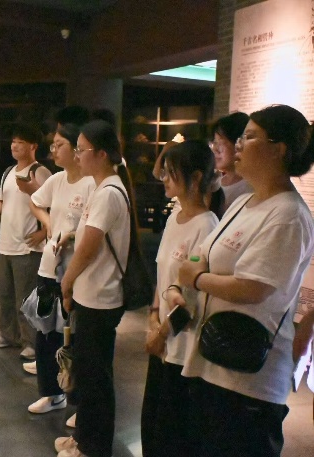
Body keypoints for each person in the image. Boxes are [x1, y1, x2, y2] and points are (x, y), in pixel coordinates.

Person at [175, 104, 314, 456]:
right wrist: (189, 276)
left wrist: (197, 279)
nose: (238, 144)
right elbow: (203, 252)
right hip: (213, 358)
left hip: (250, 375)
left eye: (249, 137)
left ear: (278, 149)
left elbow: (254, 288)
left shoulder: (288, 214)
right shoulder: (245, 203)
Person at [55, 120, 136, 457]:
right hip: (93, 294)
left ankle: (93, 446)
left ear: (102, 154)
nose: (77, 155)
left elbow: (89, 247)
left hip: (100, 297)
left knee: (95, 378)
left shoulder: (109, 193)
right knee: (88, 374)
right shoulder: (103, 188)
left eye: (81, 149)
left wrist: (67, 281)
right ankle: (82, 438)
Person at [140, 140, 219, 457]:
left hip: (181, 345)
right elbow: (163, 275)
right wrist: (153, 315)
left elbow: (193, 296)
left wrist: (161, 332)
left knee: (171, 434)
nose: (163, 178)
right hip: (161, 340)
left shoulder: (207, 225)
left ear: (196, 177)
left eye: (171, 172)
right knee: (151, 427)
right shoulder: (174, 216)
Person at [26, 123, 95, 414]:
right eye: (52, 145)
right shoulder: (56, 180)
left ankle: (75, 396)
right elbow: (35, 202)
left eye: (59, 145)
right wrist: (48, 223)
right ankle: (51, 393)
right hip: (49, 266)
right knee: (45, 333)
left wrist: (72, 236)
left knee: (71, 335)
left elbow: (94, 229)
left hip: (75, 271)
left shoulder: (91, 184)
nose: (53, 150)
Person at [0, 124, 51, 360]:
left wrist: (44, 232)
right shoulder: (8, 172)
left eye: (20, 142)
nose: (15, 146)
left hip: (28, 247)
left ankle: (30, 341)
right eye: (13, 141)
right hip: (5, 244)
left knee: (26, 298)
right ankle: (8, 334)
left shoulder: (40, 172)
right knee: (5, 295)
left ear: (33, 146)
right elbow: (2, 203)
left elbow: (52, 205)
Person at [209, 112, 252, 213]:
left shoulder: (250, 188)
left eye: (220, 142)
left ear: (239, 144)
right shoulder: (215, 183)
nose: (215, 149)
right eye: (214, 142)